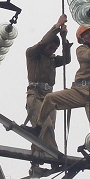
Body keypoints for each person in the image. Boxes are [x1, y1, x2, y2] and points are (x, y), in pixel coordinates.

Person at [31, 18, 90, 156]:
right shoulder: (81, 49)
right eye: (87, 34)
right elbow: (89, 56)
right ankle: (39, 127)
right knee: (50, 98)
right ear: (81, 39)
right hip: (79, 91)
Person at [24, 13, 72, 156]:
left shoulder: (52, 60)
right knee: (46, 126)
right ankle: (54, 155)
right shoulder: (32, 54)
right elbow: (42, 42)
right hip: (35, 94)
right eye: (50, 46)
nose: (52, 50)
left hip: (49, 97)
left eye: (55, 48)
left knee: (43, 131)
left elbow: (66, 60)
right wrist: (57, 26)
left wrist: (64, 39)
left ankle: (36, 161)